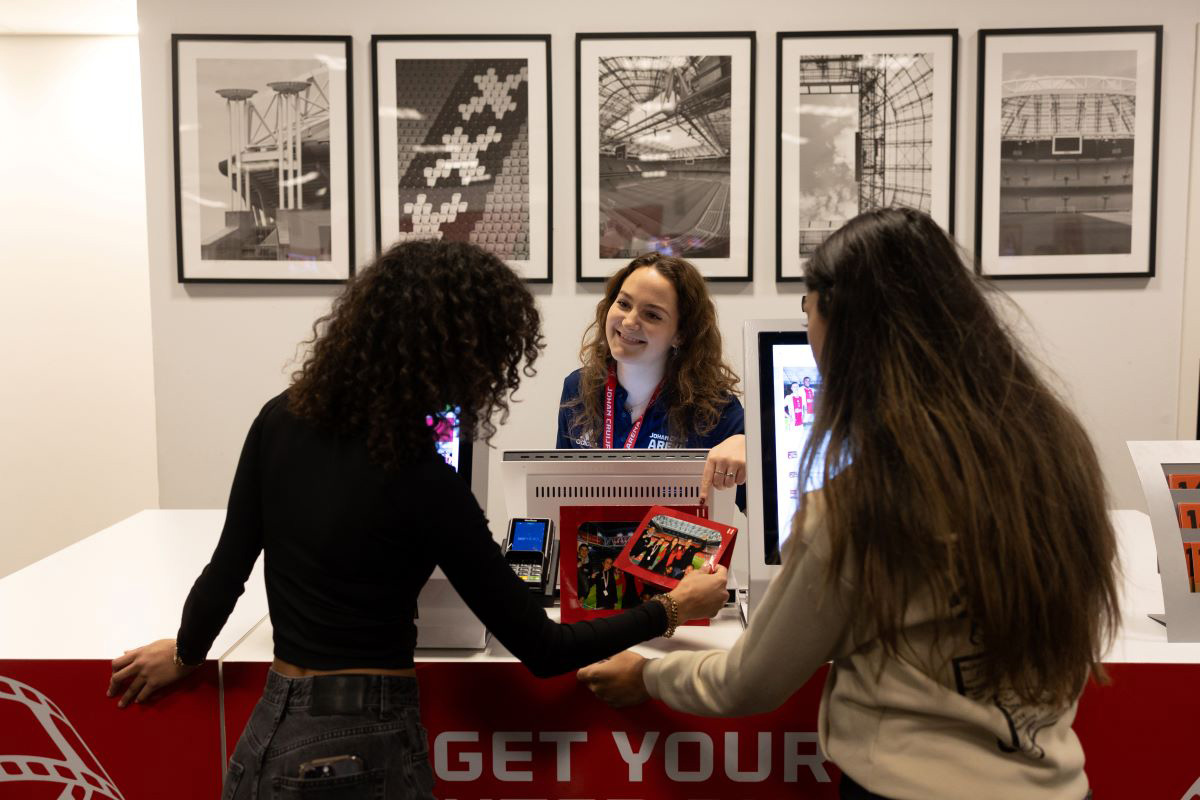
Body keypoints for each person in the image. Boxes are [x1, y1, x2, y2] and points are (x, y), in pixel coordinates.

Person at [105, 241, 728, 798]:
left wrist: (186, 651)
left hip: (265, 736)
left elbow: (228, 568)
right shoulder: (424, 475)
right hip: (361, 749)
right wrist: (671, 608)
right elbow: (544, 649)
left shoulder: (279, 417)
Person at [578, 209, 1120, 800]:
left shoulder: (865, 501)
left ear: (844, 325)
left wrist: (648, 675)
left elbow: (749, 680)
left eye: (808, 311)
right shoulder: (1056, 451)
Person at [556, 252, 745, 505]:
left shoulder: (713, 409)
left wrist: (750, 445)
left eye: (652, 315)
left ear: (680, 334)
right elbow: (560, 496)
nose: (629, 322)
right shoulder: (577, 388)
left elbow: (769, 507)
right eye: (624, 304)